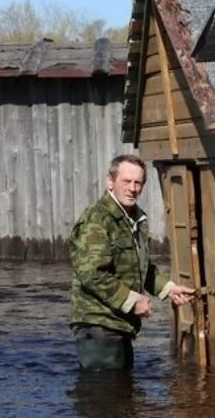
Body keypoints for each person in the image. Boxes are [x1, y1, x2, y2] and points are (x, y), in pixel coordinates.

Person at [69, 154, 195, 370]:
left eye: (138, 183)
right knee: (104, 397)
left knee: (122, 396)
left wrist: (169, 288)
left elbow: (139, 268)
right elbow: (91, 274)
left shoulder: (136, 219)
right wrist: (133, 300)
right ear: (111, 181)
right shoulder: (97, 219)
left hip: (119, 326)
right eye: (126, 181)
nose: (132, 188)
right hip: (98, 326)